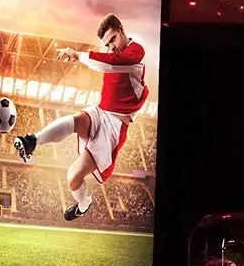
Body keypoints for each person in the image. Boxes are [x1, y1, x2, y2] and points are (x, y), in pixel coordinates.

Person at [13, 13, 148, 221]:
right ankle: (32, 141)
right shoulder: (114, 54)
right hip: (100, 112)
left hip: (114, 127)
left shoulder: (135, 52)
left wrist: (78, 55)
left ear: (122, 30)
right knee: (75, 120)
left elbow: (112, 64)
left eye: (112, 39)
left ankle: (83, 205)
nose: (111, 47)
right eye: (107, 44)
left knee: (72, 177)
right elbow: (110, 62)